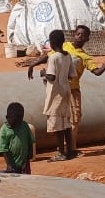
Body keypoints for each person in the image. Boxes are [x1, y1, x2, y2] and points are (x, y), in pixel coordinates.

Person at [62, 25, 105, 154]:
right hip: (60, 88)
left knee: (75, 118)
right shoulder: (64, 46)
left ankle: (70, 147)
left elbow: (97, 72)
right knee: (61, 117)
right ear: (74, 34)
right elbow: (51, 56)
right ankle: (64, 147)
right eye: (78, 34)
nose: (80, 37)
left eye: (83, 35)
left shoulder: (85, 57)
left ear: (87, 39)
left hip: (73, 90)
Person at [28, 29, 77, 161]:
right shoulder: (67, 56)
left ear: (52, 42)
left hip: (55, 94)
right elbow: (71, 75)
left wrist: (43, 73)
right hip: (66, 91)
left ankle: (61, 152)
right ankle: (70, 150)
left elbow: (51, 76)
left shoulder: (54, 58)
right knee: (66, 123)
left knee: (57, 125)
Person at [0, 102, 34, 174]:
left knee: (26, 180)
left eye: (19, 122)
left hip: (25, 161)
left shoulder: (24, 125)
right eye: (14, 122)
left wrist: (31, 152)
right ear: (7, 117)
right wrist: (8, 165)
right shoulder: (4, 129)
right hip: (12, 164)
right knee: (15, 181)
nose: (17, 125)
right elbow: (4, 149)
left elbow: (30, 140)